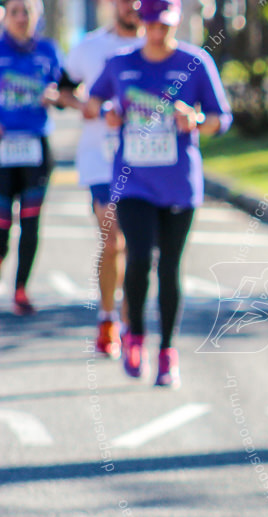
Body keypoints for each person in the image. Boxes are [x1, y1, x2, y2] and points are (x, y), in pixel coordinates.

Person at [86, 0, 231, 387]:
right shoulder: (119, 62)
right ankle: (134, 336)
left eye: (163, 24)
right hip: (133, 182)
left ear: (175, 21)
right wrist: (106, 115)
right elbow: (93, 100)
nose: (156, 31)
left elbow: (222, 118)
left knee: (169, 267)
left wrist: (196, 120)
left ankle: (167, 351)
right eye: (150, 23)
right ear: (141, 20)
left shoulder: (195, 62)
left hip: (179, 184)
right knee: (136, 257)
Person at [59, 0, 142, 356]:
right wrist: (84, 107)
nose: (133, 6)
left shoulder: (159, 44)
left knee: (139, 249)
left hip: (147, 162)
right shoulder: (89, 47)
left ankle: (130, 322)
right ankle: (109, 319)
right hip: (102, 160)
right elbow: (60, 91)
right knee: (113, 241)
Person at [0, 0, 61, 316]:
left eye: (28, 11)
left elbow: (69, 91)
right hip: (2, 148)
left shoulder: (49, 51)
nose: (22, 18)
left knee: (30, 222)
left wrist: (56, 96)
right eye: (15, 12)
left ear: (37, 16)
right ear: (5, 16)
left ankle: (21, 289)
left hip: (36, 148)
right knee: (1, 225)